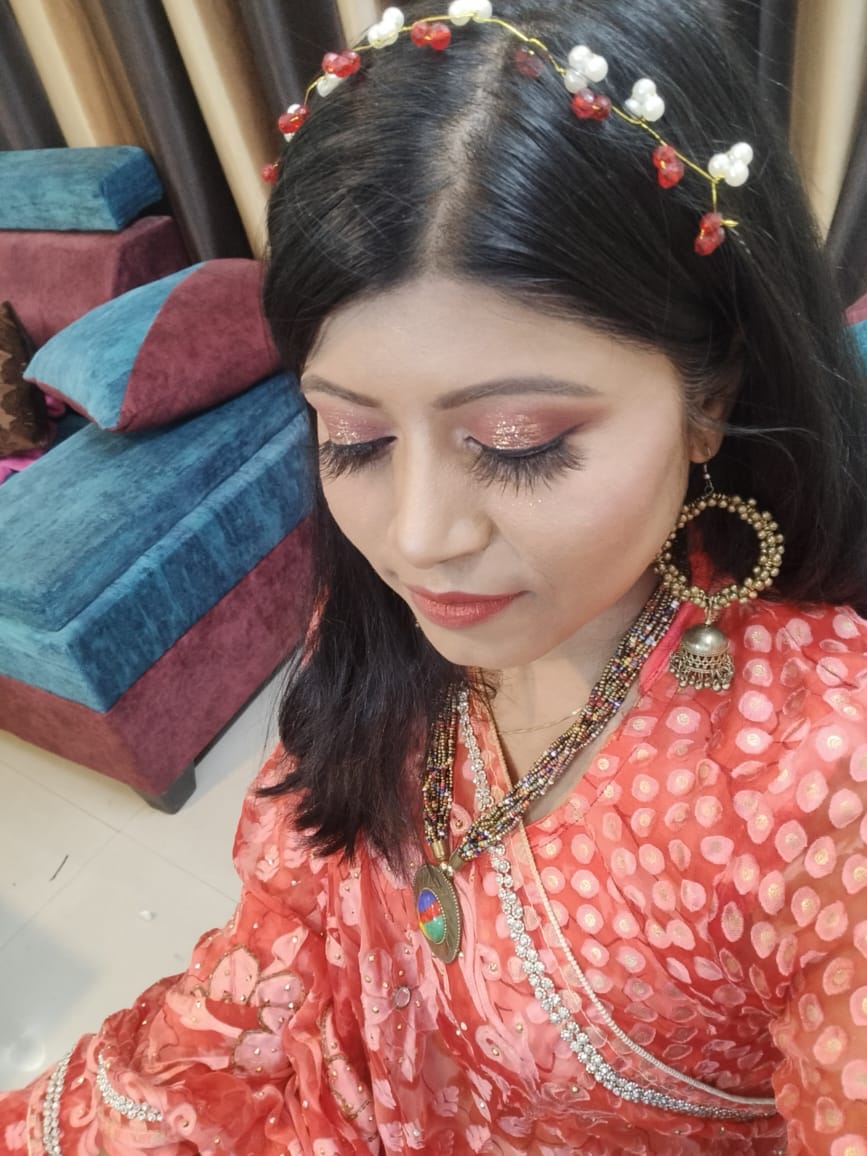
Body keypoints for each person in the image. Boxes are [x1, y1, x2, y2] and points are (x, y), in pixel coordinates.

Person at [4, 0, 867, 1152]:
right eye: (354, 437)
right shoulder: (389, 611)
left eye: (518, 442)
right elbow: (294, 922)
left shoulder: (827, 777)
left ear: (709, 395)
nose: (416, 538)